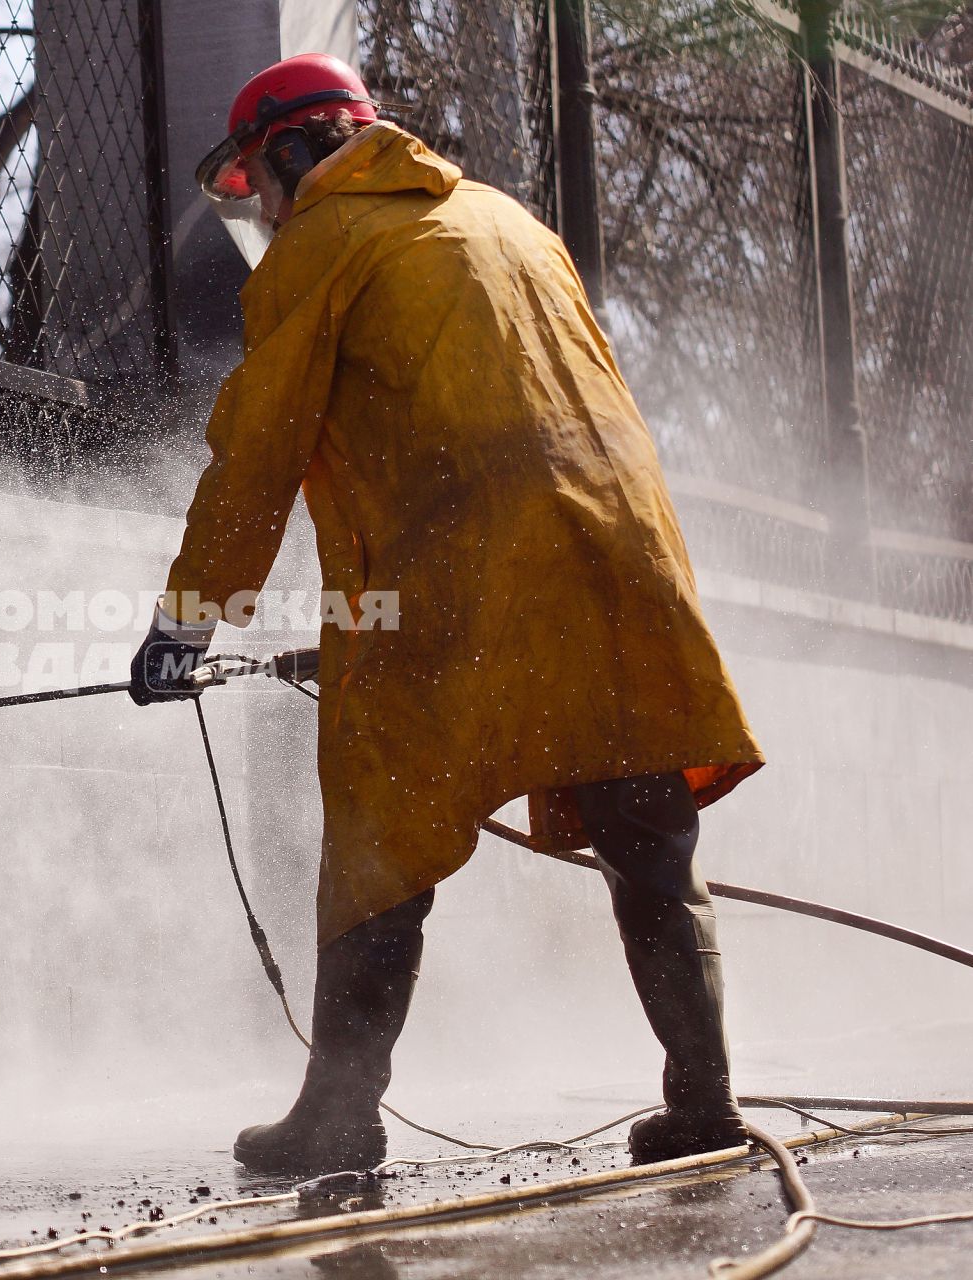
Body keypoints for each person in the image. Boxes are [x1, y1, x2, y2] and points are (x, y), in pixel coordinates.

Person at [128, 53, 765, 1176]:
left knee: (380, 831)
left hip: (461, 579)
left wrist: (185, 621)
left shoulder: (322, 246)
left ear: (287, 151)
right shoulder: (507, 222)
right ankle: (704, 1100)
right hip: (620, 560)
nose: (260, 219)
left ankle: (337, 1114)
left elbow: (253, 461)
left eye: (256, 190)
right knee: (643, 828)